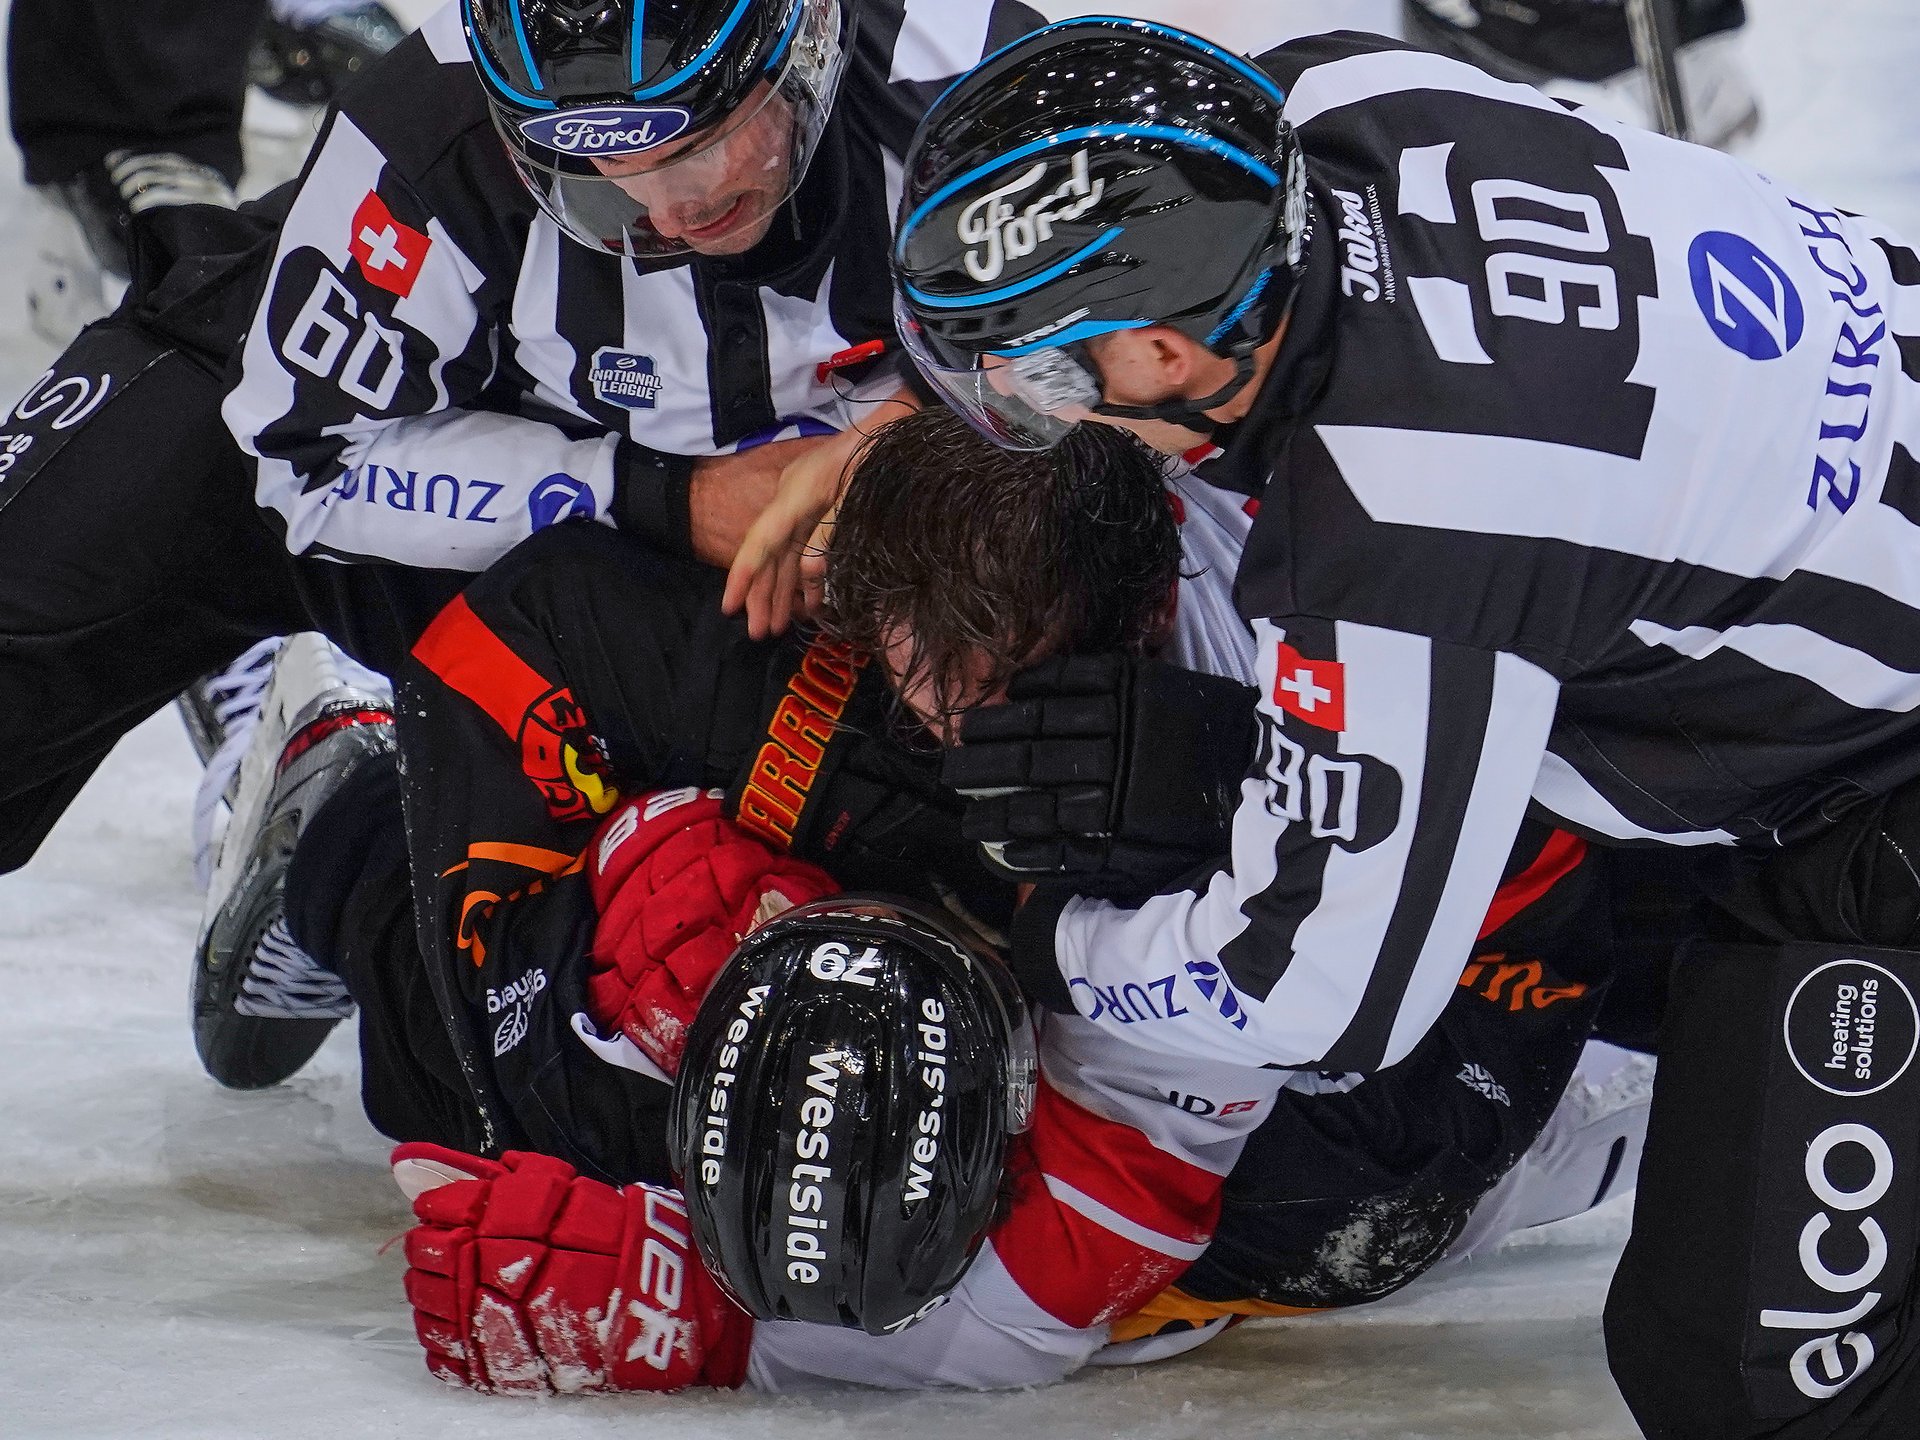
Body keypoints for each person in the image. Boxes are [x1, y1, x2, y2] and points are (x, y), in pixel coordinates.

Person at [881, 18, 1920, 1439]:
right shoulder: (1342, 93)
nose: (1020, 419)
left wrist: (1060, 950)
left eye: (1034, 386)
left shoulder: (1401, 519)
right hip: (1837, 598)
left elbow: (1320, 994)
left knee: (1755, 1374)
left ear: (1169, 350)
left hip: (1877, 777)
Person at [283, 408, 1638, 1391]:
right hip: (1078, 908)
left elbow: (1050, 1290)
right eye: (923, 673)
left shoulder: (1256, 772)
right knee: (613, 952)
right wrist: (579, 934)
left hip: (1418, 1043)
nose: (962, 721)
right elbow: (513, 640)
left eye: (1014, 686)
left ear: (1143, 615)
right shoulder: (861, 564)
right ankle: (331, 824)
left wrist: (722, 1317)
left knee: (1263, 1223)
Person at [0, 0, 1051, 1086]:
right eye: (590, 165)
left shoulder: (979, 90)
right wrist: (665, 494)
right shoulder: (430, 126)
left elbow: (1130, 400)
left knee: (785, 1017)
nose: (668, 208)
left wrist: (913, 439)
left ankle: (347, 841)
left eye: (699, 139)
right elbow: (301, 460)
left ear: (812, 45)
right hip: (412, 448)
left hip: (776, 573)